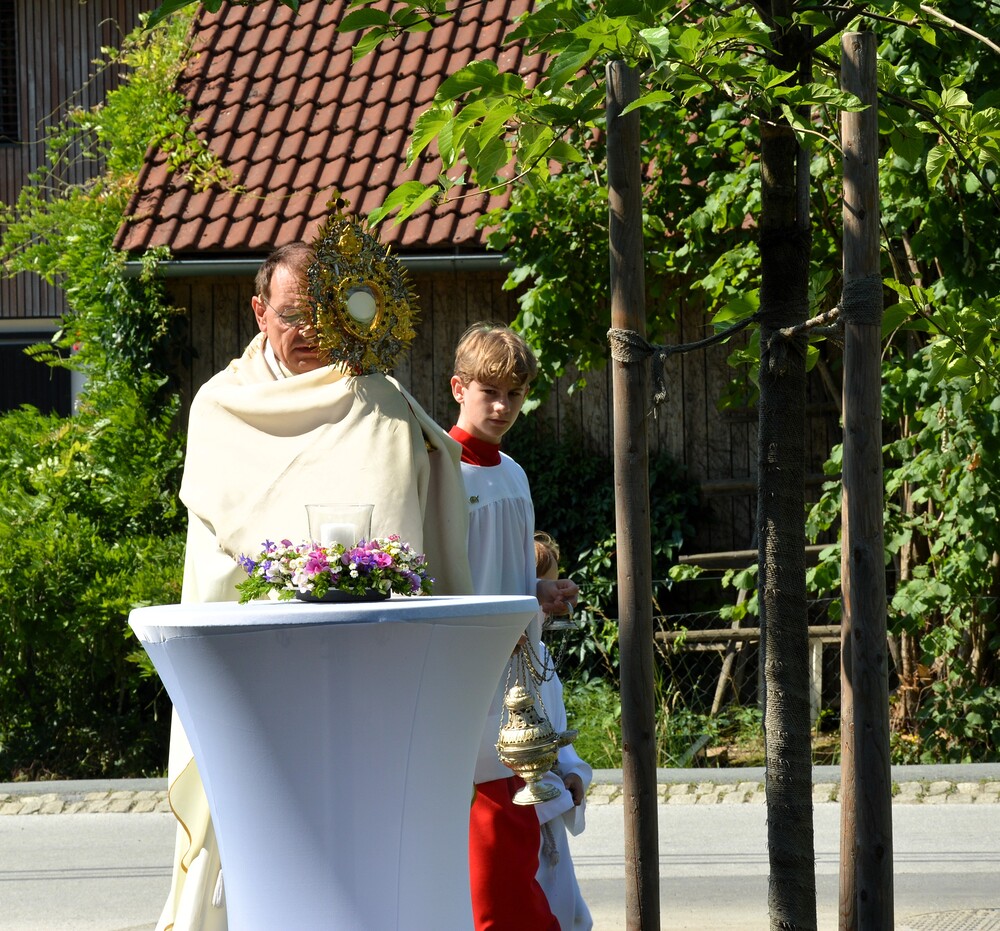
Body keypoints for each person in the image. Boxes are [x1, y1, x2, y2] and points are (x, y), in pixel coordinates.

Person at [156, 241, 474, 931]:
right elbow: (213, 563)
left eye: (323, 314)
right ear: (258, 311)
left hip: (366, 676)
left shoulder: (378, 403)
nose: (308, 332)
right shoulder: (220, 407)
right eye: (291, 315)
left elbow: (409, 535)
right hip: (251, 669)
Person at [447, 322, 578, 931]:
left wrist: (540, 591)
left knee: (521, 824)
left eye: (515, 395)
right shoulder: (441, 471)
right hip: (467, 673)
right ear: (459, 388)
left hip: (519, 669)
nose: (502, 407)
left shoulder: (515, 473)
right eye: (489, 392)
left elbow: (509, 571)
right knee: (489, 839)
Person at [532, 532, 594, 931]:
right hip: (522, 804)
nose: (556, 600)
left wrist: (573, 772)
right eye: (546, 587)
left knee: (565, 911)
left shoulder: (541, 655)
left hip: (551, 802)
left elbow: (559, 730)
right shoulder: (500, 653)